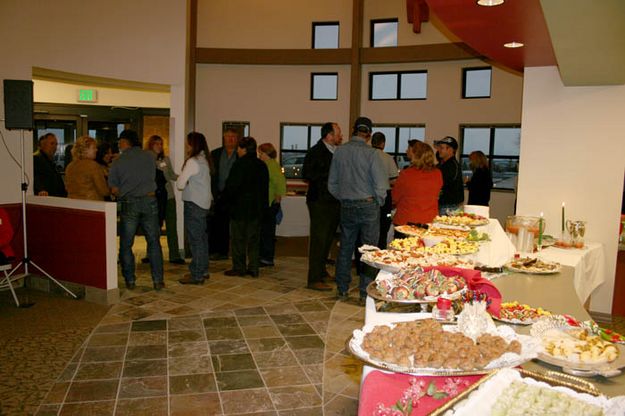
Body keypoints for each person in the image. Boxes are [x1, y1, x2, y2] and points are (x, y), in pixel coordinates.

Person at [328, 117, 388, 302]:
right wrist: (378, 202)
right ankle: (365, 291)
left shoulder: (340, 152)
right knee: (369, 251)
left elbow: (332, 184)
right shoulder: (372, 154)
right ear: (369, 134)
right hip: (368, 205)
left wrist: (345, 197)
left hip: (347, 205)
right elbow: (381, 186)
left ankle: (342, 288)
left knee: (345, 248)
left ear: (354, 130)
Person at [108, 129, 164, 291]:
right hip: (150, 200)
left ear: (125, 142)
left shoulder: (118, 161)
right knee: (154, 241)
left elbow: (113, 189)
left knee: (126, 243)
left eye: (120, 142)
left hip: (130, 202)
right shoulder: (149, 156)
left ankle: (130, 280)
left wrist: (123, 191)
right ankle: (158, 280)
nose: (119, 145)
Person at [302, 122, 342, 291]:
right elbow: (307, 174)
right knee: (319, 240)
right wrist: (331, 174)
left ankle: (322, 271)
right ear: (329, 136)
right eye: (338, 134)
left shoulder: (335, 151)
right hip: (320, 201)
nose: (340, 137)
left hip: (332, 201)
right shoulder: (316, 151)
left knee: (327, 239)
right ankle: (313, 279)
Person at [223, 137, 269, 277]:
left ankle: (239, 267)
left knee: (238, 240)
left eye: (239, 148)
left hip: (239, 209)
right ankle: (254, 268)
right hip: (256, 209)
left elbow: (231, 187)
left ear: (243, 149)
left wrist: (226, 202)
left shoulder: (239, 164)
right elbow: (264, 189)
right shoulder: (261, 165)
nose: (237, 150)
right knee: (254, 240)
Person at [176, 132, 213, 284]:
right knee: (202, 240)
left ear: (192, 144)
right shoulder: (204, 159)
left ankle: (197, 275)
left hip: (194, 205)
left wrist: (187, 181)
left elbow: (179, 184)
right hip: (204, 203)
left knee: (196, 241)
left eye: (187, 143)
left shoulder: (193, 161)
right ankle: (203, 270)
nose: (186, 145)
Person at [145, 135, 185, 265]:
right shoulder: (146, 159)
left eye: (161, 144)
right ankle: (151, 254)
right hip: (154, 197)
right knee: (154, 227)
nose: (159, 146)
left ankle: (174, 255)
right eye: (156, 143)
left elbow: (172, 175)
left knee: (172, 226)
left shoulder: (165, 159)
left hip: (169, 196)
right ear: (150, 145)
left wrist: (185, 177)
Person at [392, 140, 443, 225]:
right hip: (429, 220)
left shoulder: (406, 174)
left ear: (415, 155)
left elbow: (394, 197)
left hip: (406, 221)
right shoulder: (438, 173)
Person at [210, 128, 239, 260]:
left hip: (234, 196)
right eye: (228, 137)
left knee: (235, 226)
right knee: (217, 224)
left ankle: (235, 252)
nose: (230, 139)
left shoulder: (240, 155)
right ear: (223, 138)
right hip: (218, 195)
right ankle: (219, 252)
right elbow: (210, 175)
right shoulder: (215, 154)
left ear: (237, 139)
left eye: (233, 137)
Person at [257, 143, 286, 267]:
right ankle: (264, 256)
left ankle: (267, 258)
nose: (260, 155)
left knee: (267, 232)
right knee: (265, 231)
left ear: (267, 153)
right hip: (268, 203)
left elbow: (280, 184)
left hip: (270, 203)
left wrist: (277, 201)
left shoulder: (272, 166)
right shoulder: (269, 165)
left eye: (261, 153)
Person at [371, 132, 398, 248]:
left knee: (369, 227)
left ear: (371, 142)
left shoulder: (366, 156)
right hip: (385, 196)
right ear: (383, 143)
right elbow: (394, 181)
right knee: (383, 226)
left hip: (369, 196)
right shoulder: (388, 158)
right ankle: (380, 249)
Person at [64, 136, 110, 201]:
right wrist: (111, 190)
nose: (96, 150)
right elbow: (104, 191)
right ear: (85, 150)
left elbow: (67, 187)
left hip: (73, 205)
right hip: (92, 204)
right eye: (93, 148)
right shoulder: (93, 165)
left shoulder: (70, 166)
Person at [435, 136, 464, 214]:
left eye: (442, 148)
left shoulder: (452, 166)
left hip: (449, 207)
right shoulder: (443, 165)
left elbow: (442, 184)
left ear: (450, 150)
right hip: (445, 206)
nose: (438, 150)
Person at [33, 133, 67, 197]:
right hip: (46, 199)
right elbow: (35, 177)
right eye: (52, 144)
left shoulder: (51, 162)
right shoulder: (36, 159)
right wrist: (41, 190)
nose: (55, 147)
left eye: (56, 144)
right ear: (43, 145)